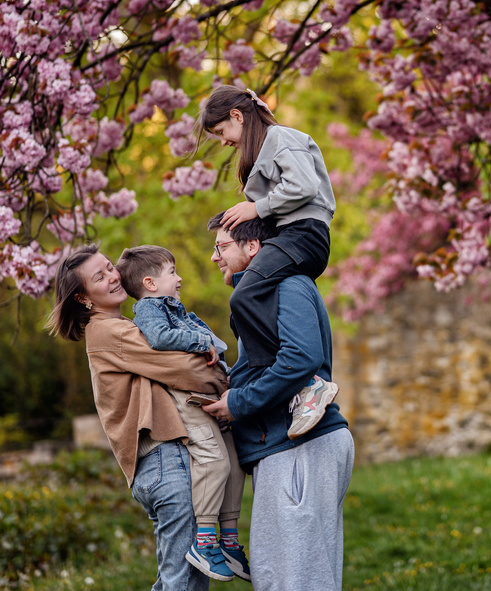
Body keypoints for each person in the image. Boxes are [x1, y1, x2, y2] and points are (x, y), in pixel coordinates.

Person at [46, 244, 226, 591]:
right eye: (99, 277)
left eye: (109, 267)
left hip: (158, 463)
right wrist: (222, 375)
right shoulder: (109, 332)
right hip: (162, 458)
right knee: (182, 580)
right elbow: (183, 368)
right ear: (83, 299)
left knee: (181, 577)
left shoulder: (121, 325)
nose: (114, 277)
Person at [201, 214, 354, 591]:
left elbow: (301, 358)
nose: (214, 257)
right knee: (278, 575)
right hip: (282, 447)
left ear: (253, 247)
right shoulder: (262, 298)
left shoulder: (288, 285)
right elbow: (271, 364)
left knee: (301, 577)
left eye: (221, 247)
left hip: (301, 445)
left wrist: (238, 403)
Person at [198, 85, 339, 437]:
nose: (223, 142)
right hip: (286, 237)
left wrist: (255, 207)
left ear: (237, 116)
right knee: (246, 295)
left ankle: (302, 384)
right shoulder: (263, 151)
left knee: (244, 296)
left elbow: (304, 185)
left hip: (304, 235)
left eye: (221, 133)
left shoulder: (280, 138)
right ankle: (271, 381)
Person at [116, 244, 250, 582]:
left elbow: (214, 346)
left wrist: (222, 366)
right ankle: (204, 541)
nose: (180, 278)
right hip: (185, 398)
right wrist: (199, 342)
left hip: (206, 392)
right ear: (149, 283)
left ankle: (229, 538)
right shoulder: (148, 308)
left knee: (234, 462)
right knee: (213, 459)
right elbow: (160, 339)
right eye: (172, 272)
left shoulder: (175, 308)